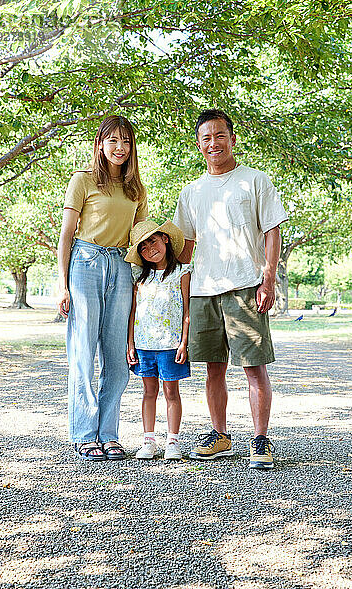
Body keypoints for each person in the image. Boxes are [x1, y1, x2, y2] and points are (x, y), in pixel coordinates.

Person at [173, 109, 288, 469]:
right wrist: (177, 292)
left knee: (253, 367)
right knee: (213, 368)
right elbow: (185, 246)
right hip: (204, 290)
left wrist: (267, 279)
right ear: (198, 145)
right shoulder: (191, 191)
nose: (214, 143)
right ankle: (220, 436)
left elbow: (272, 231)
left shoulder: (254, 181)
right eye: (206, 138)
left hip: (246, 286)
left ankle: (260, 441)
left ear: (232, 139)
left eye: (220, 135)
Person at [57, 115, 148, 461]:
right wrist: (62, 283)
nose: (120, 148)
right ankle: (84, 433)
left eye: (126, 142)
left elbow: (138, 237)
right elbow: (67, 234)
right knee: (82, 353)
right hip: (86, 264)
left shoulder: (135, 189)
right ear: (99, 144)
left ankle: (108, 432)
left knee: (117, 359)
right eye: (113, 140)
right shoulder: (82, 181)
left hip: (121, 267)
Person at [125, 220, 191, 460]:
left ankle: (172, 440)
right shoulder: (140, 278)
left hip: (170, 345)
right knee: (148, 391)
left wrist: (184, 342)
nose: (149, 248)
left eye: (152, 240)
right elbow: (134, 312)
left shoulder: (181, 272)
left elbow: (187, 310)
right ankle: (149, 440)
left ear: (165, 239)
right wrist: (130, 343)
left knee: (171, 392)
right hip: (143, 344)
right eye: (142, 246)